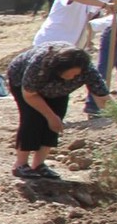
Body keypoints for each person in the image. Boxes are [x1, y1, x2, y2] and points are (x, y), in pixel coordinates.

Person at [6, 43, 111, 178]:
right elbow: (29, 95)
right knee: (32, 119)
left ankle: (39, 165)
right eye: (72, 74)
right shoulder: (40, 65)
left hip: (58, 90)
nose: (75, 77)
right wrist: (50, 116)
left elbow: (102, 97)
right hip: (24, 84)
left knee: (56, 122)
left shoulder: (88, 70)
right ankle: (21, 165)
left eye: (77, 74)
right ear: (60, 69)